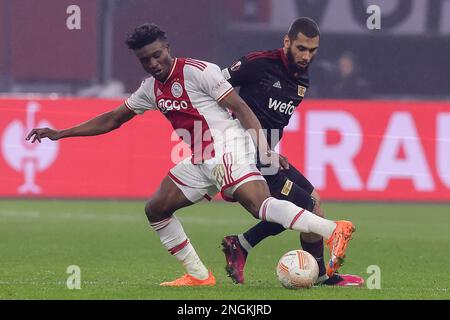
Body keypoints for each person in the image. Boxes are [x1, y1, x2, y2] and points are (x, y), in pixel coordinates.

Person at [25, 23, 355, 287]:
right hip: (201, 159)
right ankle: (199, 275)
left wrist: (264, 148)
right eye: (145, 60)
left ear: (167, 48)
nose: (153, 63)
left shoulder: (199, 71)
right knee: (156, 208)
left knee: (258, 205)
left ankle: (331, 230)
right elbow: (113, 118)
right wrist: (60, 133)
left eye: (157, 55)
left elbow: (239, 107)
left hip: (229, 146)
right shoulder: (151, 90)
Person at [221, 18, 364, 286]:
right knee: (310, 209)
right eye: (301, 48)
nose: (306, 56)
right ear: (287, 42)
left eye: (312, 50)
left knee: (313, 198)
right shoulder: (258, 63)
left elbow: (272, 121)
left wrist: (271, 150)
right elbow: (213, 85)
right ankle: (320, 275)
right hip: (246, 155)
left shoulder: (302, 78)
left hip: (268, 155)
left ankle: (241, 245)